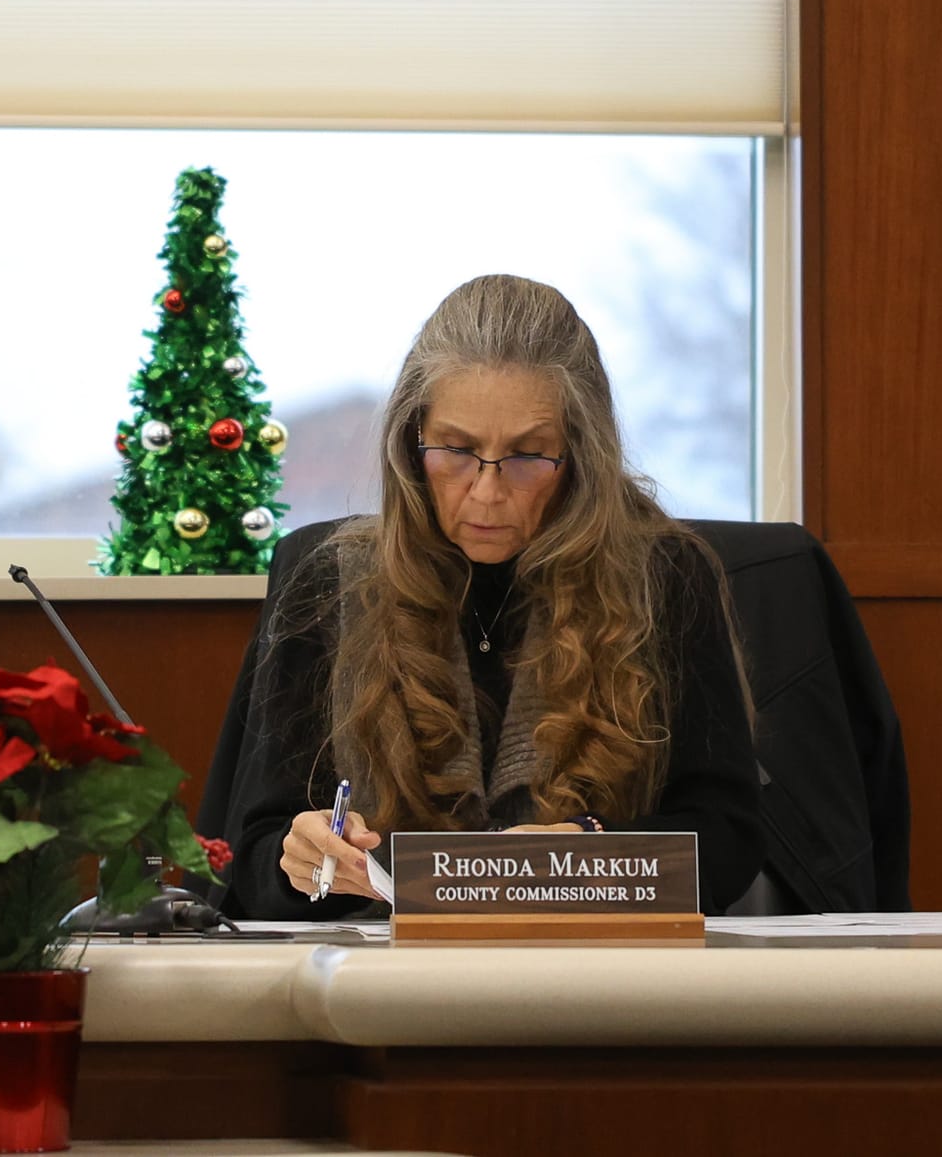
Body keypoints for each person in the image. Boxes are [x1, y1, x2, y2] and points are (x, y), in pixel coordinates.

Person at [222, 274, 764, 918]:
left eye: (528, 456)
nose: (486, 492)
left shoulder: (665, 575)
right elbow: (250, 863)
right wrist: (301, 863)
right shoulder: (327, 578)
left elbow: (730, 840)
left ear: (580, 457)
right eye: (455, 450)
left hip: (594, 963)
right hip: (382, 968)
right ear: (411, 443)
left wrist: (595, 850)